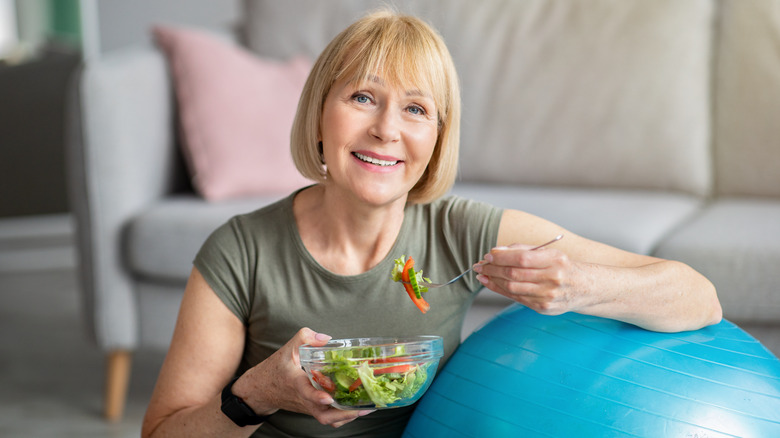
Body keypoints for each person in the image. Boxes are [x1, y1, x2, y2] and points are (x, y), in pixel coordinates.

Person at [141, 9, 722, 438]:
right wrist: (258, 394)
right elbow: (163, 433)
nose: (387, 130)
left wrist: (582, 286)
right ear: (320, 114)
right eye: (363, 97)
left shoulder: (461, 233)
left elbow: (697, 297)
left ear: (437, 139)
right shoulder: (240, 250)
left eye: (416, 109)